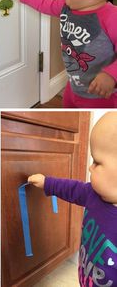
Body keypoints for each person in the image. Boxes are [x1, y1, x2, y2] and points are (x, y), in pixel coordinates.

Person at [0, 0, 117, 108]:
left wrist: (111, 75)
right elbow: (44, 3)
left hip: (102, 97)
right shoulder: (65, 6)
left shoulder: (112, 17)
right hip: (73, 86)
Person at [28, 112, 117, 286]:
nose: (90, 168)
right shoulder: (93, 193)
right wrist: (47, 183)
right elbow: (71, 188)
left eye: (97, 162)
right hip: (86, 276)